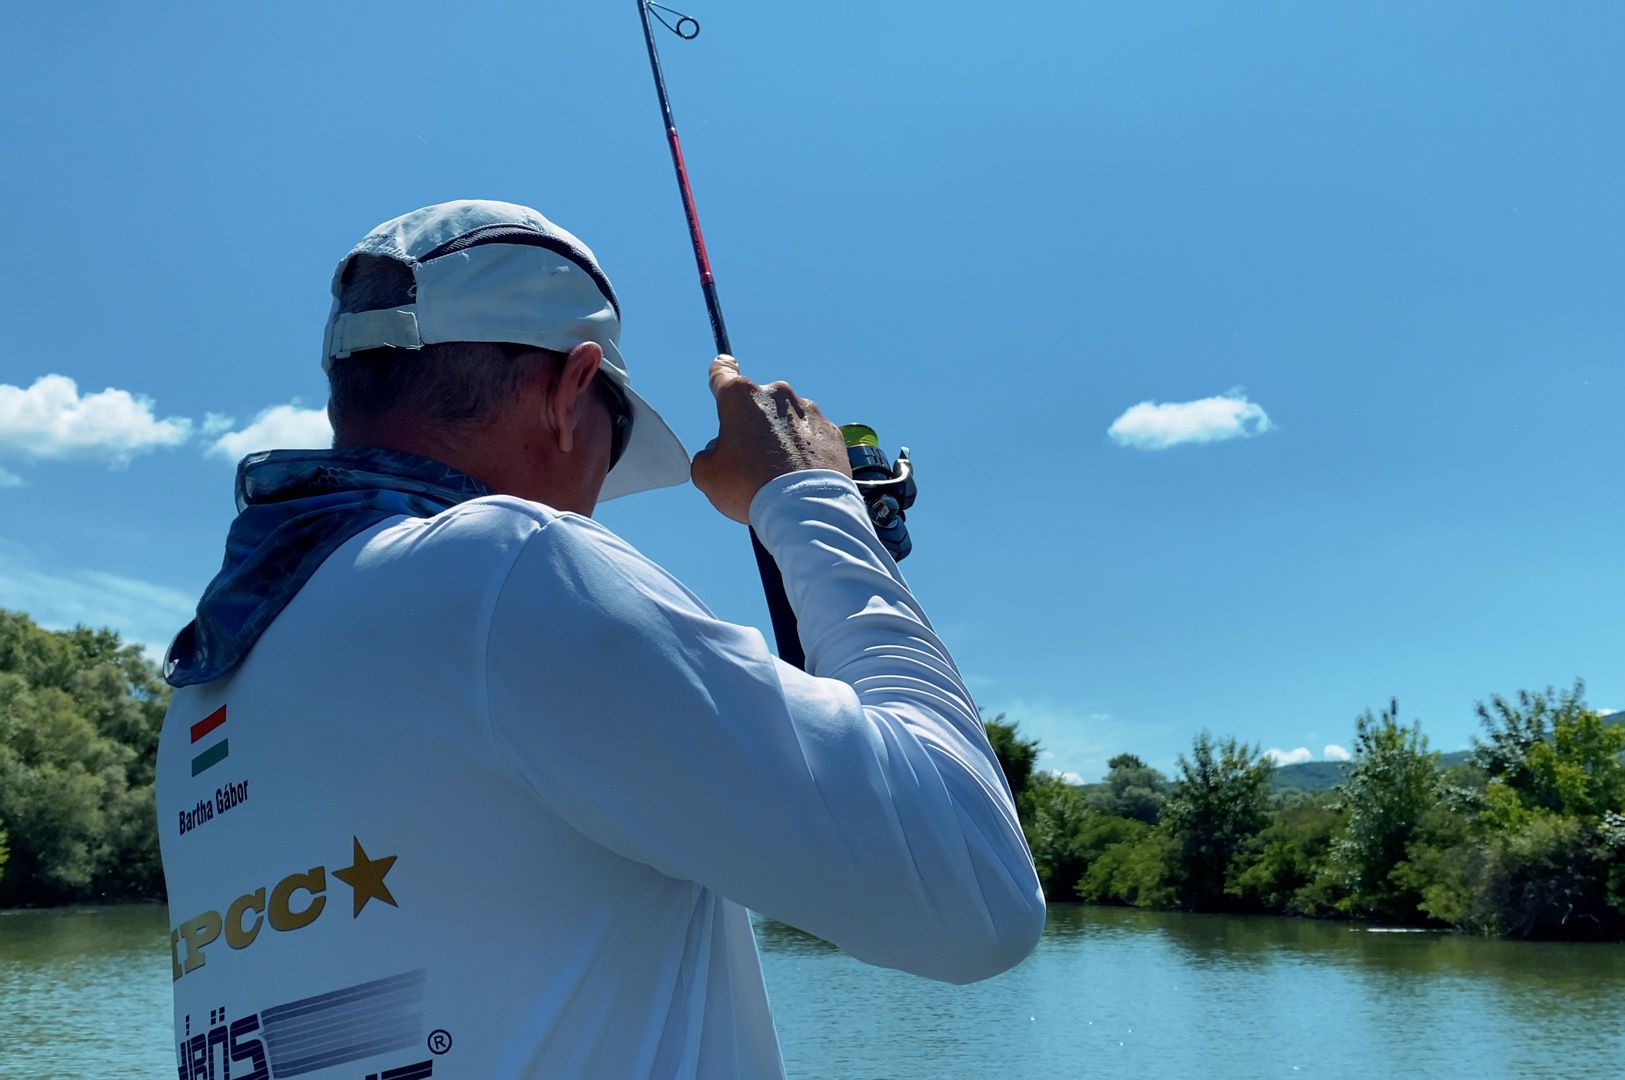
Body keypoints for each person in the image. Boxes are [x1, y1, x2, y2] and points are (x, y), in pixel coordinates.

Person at [155, 199, 1044, 1079]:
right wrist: (812, 499)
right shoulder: (509, 568)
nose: (590, 500)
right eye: (612, 451)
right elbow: (978, 892)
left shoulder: (209, 682)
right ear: (571, 389)